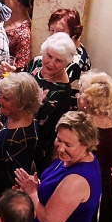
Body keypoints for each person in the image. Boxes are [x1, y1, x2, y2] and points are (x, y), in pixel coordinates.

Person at [15, 110, 102, 222]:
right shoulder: (71, 159)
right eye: (59, 140)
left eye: (68, 145)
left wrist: (32, 193)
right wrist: (35, 186)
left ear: (86, 145)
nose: (60, 148)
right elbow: (55, 190)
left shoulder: (77, 180)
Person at [0, 73, 40, 219]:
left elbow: (11, 186)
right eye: (1, 95)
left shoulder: (20, 141)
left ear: (22, 104)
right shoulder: (13, 116)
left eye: (6, 99)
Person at [78, 71, 112, 222]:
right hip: (104, 189)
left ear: (88, 101)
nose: (77, 96)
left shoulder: (79, 126)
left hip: (78, 186)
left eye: (80, 92)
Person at [26, 31, 79, 171]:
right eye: (49, 56)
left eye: (58, 61)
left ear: (66, 63)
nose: (51, 63)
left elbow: (46, 125)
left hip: (36, 142)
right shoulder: (36, 63)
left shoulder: (62, 90)